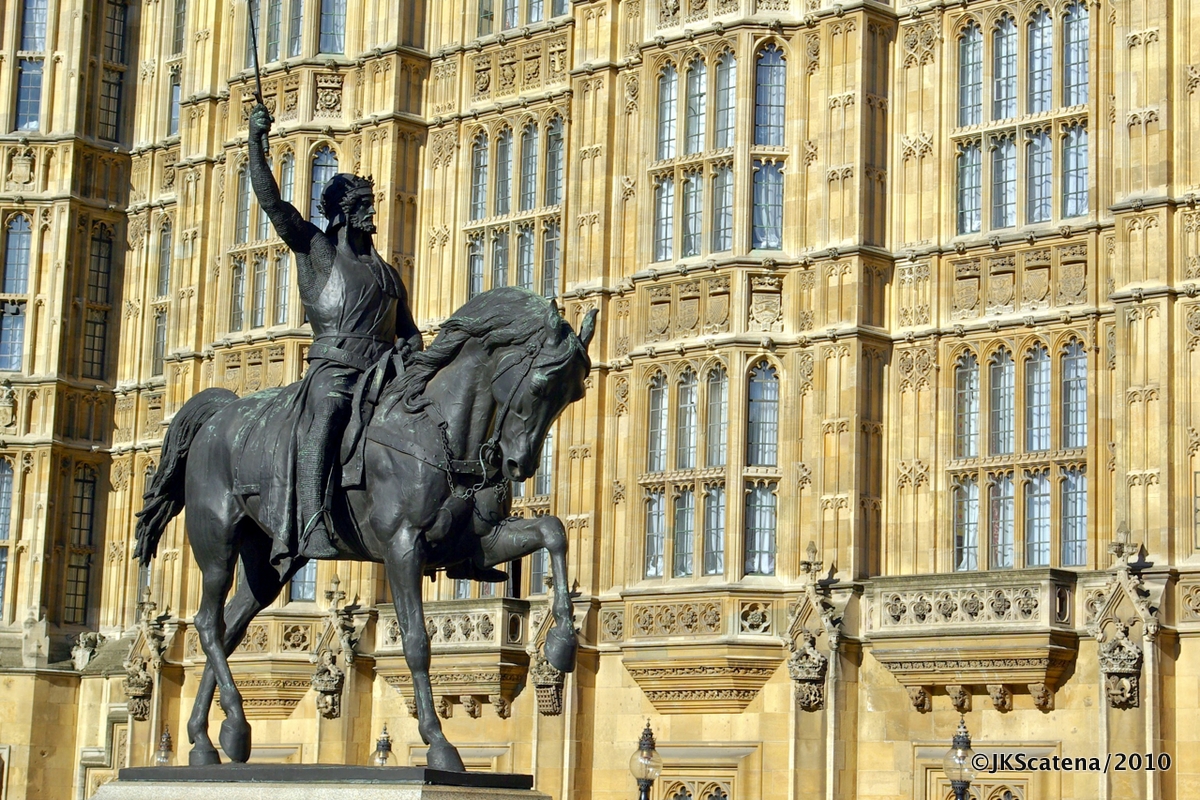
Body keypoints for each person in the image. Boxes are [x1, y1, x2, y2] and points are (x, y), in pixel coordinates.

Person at [247, 103, 420, 559]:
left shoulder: (386, 274)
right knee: (327, 415)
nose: (370, 211)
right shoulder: (318, 251)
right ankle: (310, 523)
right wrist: (255, 144)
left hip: (383, 378)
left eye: (370, 204)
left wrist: (410, 356)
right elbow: (273, 205)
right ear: (343, 212)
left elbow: (410, 333)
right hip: (336, 373)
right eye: (361, 205)